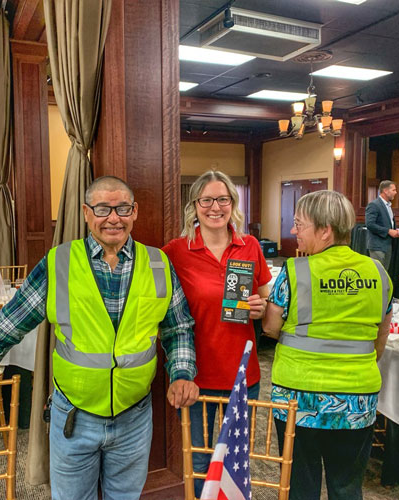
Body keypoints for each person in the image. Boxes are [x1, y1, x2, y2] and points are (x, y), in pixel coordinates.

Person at [0, 176, 199, 500]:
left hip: (134, 419)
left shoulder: (158, 263)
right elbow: (7, 326)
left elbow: (178, 327)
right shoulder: (59, 263)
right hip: (74, 419)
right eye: (102, 208)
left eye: (122, 208)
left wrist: (182, 373)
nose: (113, 217)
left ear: (135, 212)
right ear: (87, 213)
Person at [262, 190, 393, 500]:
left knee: (301, 486)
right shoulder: (378, 272)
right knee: (347, 486)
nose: (294, 231)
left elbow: (270, 327)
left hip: (298, 399)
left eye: (299, 224)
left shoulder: (295, 272)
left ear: (325, 230)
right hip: (357, 400)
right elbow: (381, 337)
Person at [163, 170, 271, 497]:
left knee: (235, 466)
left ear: (233, 204)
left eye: (223, 199)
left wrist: (261, 306)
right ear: (194, 206)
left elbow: (269, 299)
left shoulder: (249, 245)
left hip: (242, 374)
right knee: (199, 467)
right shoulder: (175, 251)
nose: (215, 207)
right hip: (196, 376)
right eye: (206, 200)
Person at [365, 179, 399, 270]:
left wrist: (395, 230)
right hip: (377, 246)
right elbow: (370, 224)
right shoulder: (374, 205)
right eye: (393, 190)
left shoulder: (388, 206)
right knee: (378, 273)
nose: (395, 192)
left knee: (385, 274)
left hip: (387, 245)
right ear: (385, 191)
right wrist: (388, 231)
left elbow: (389, 223)